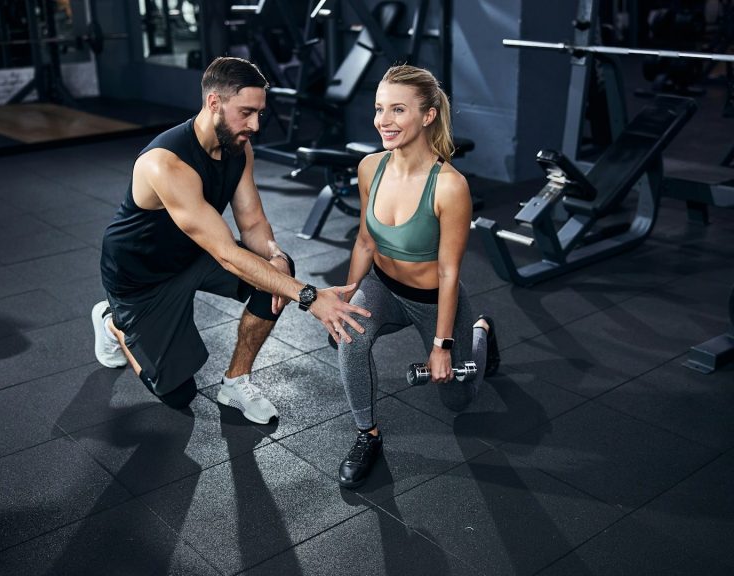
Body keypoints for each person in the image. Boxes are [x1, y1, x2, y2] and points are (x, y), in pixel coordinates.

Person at [92, 56, 370, 423]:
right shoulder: (165, 162)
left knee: (274, 276)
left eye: (260, 113)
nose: (255, 125)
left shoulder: (239, 147)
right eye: (246, 112)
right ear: (214, 103)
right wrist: (309, 296)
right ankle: (112, 320)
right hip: (142, 278)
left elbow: (253, 224)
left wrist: (276, 256)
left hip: (194, 254)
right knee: (179, 395)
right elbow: (226, 253)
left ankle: (236, 381)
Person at [334, 65, 500, 488]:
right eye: (378, 109)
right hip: (383, 289)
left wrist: (443, 345)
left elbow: (449, 271)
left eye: (397, 110)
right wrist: (346, 296)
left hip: (434, 300)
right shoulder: (371, 167)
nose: (382, 121)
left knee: (459, 400)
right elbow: (366, 242)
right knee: (350, 339)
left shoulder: (449, 186)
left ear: (427, 116)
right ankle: (366, 435)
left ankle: (479, 331)